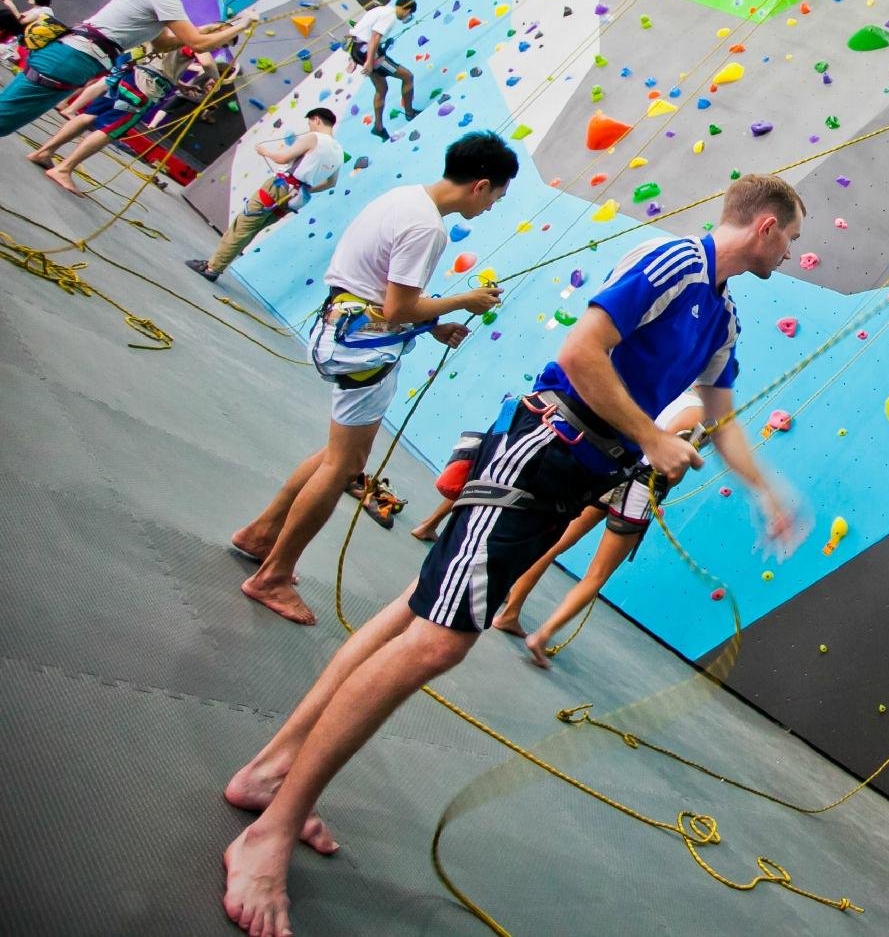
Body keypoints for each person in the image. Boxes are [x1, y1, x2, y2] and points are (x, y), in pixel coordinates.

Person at [220, 173, 810, 935]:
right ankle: (268, 829)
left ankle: (272, 770)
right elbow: (582, 350)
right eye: (790, 236)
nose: (791, 251)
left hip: (580, 472)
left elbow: (723, 418)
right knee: (437, 642)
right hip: (540, 451)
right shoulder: (674, 265)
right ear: (764, 225)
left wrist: (766, 490)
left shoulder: (722, 315)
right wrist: (654, 434)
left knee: (413, 612)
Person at [229, 132, 516, 626]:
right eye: (496, 197)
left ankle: (261, 534)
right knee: (343, 465)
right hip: (360, 348)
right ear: (481, 185)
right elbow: (397, 306)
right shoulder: (429, 229)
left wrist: (432, 324)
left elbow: (381, 296)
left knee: (337, 455)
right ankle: (272, 576)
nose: (493, 207)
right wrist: (463, 302)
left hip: (337, 328)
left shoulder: (404, 198)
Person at [489, 398, 707, 667]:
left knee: (553, 544)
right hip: (643, 488)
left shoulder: (672, 395)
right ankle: (541, 636)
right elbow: (671, 470)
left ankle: (509, 612)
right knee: (597, 575)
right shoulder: (702, 414)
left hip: (616, 470)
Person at [0, 0, 248, 137]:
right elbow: (197, 45)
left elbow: (163, 44)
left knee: (6, 116)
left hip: (70, 56)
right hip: (73, 59)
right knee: (4, 119)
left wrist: (204, 31)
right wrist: (241, 25)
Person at [27, 33, 220, 191]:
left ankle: (44, 152)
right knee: (110, 130)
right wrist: (216, 80)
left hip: (130, 77)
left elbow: (161, 62)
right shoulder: (198, 39)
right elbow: (208, 63)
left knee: (88, 116)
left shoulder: (172, 32)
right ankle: (64, 169)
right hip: (145, 89)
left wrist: (181, 84)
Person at [186, 107, 343, 281]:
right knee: (251, 230)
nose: (309, 127)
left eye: (310, 123)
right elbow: (331, 183)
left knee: (243, 226)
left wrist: (264, 151)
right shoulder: (338, 151)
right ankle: (215, 265)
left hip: (279, 187)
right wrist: (304, 188)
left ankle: (212, 268)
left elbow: (283, 158)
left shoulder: (315, 138)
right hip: (296, 197)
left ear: (316, 120)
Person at [347, 0, 420, 141]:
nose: (407, 16)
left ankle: (379, 127)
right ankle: (409, 112)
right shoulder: (390, 15)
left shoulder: (380, 9)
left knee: (381, 88)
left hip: (357, 49)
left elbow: (357, 32)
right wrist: (368, 61)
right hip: (368, 53)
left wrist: (354, 58)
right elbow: (374, 37)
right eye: (409, 13)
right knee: (407, 76)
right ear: (406, 9)